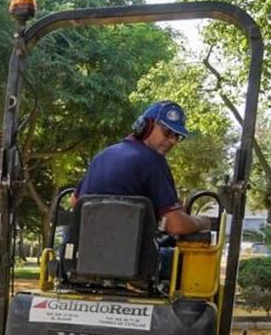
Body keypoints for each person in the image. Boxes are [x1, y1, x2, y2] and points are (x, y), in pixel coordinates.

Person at [76, 100, 211, 236]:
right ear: (145, 126)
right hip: (129, 254)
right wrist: (201, 222)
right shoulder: (154, 162)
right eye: (168, 132)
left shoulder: (103, 155)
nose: (173, 141)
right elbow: (176, 226)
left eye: (177, 136)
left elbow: (75, 201)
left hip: (81, 251)